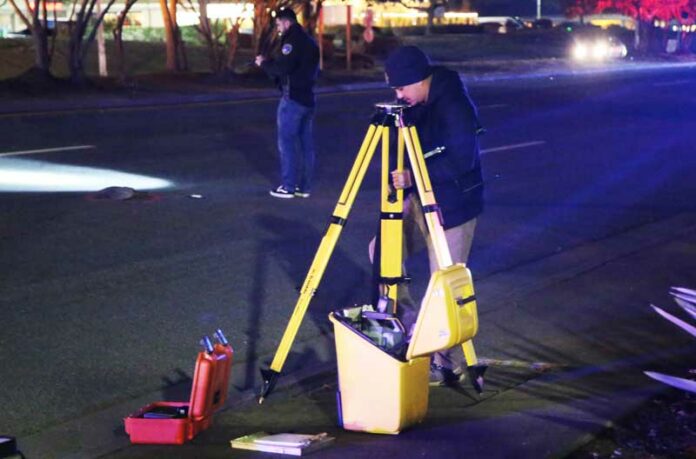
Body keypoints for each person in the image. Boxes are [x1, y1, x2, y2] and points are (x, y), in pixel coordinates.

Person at [376, 45, 485, 386]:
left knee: (443, 286)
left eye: (401, 88)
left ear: (418, 81)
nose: (398, 95)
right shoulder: (419, 103)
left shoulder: (454, 105)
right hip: (421, 200)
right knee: (382, 252)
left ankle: (442, 360)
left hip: (454, 206)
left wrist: (411, 175)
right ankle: (411, 326)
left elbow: (460, 159)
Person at [255, 7, 320, 199]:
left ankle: (289, 186)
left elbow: (282, 69)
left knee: (287, 143)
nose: (278, 28)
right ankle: (304, 187)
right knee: (306, 144)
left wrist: (263, 63)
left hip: (292, 99)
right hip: (308, 97)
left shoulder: (291, 41)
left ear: (286, 22)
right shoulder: (309, 41)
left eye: (278, 24)